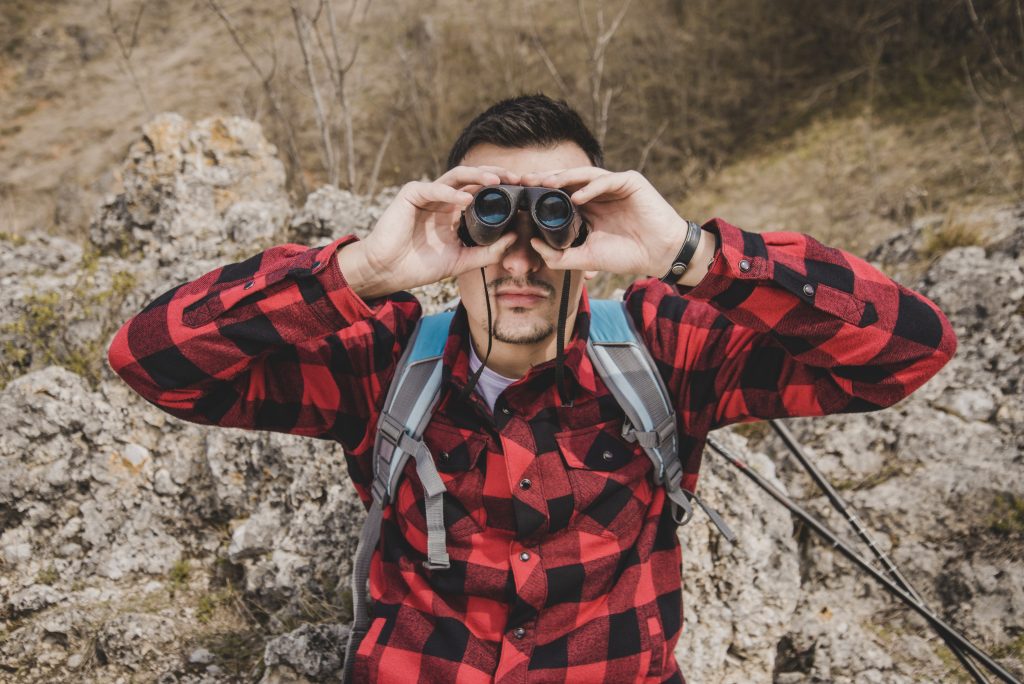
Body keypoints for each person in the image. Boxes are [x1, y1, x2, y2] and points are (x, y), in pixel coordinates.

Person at [107, 93, 957, 683]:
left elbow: (909, 349)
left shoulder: (665, 352)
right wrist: (364, 269)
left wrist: (687, 253)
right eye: (488, 218)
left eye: (555, 218)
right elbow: (151, 359)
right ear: (450, 222)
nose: (519, 256)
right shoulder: (381, 361)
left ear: (592, 227)